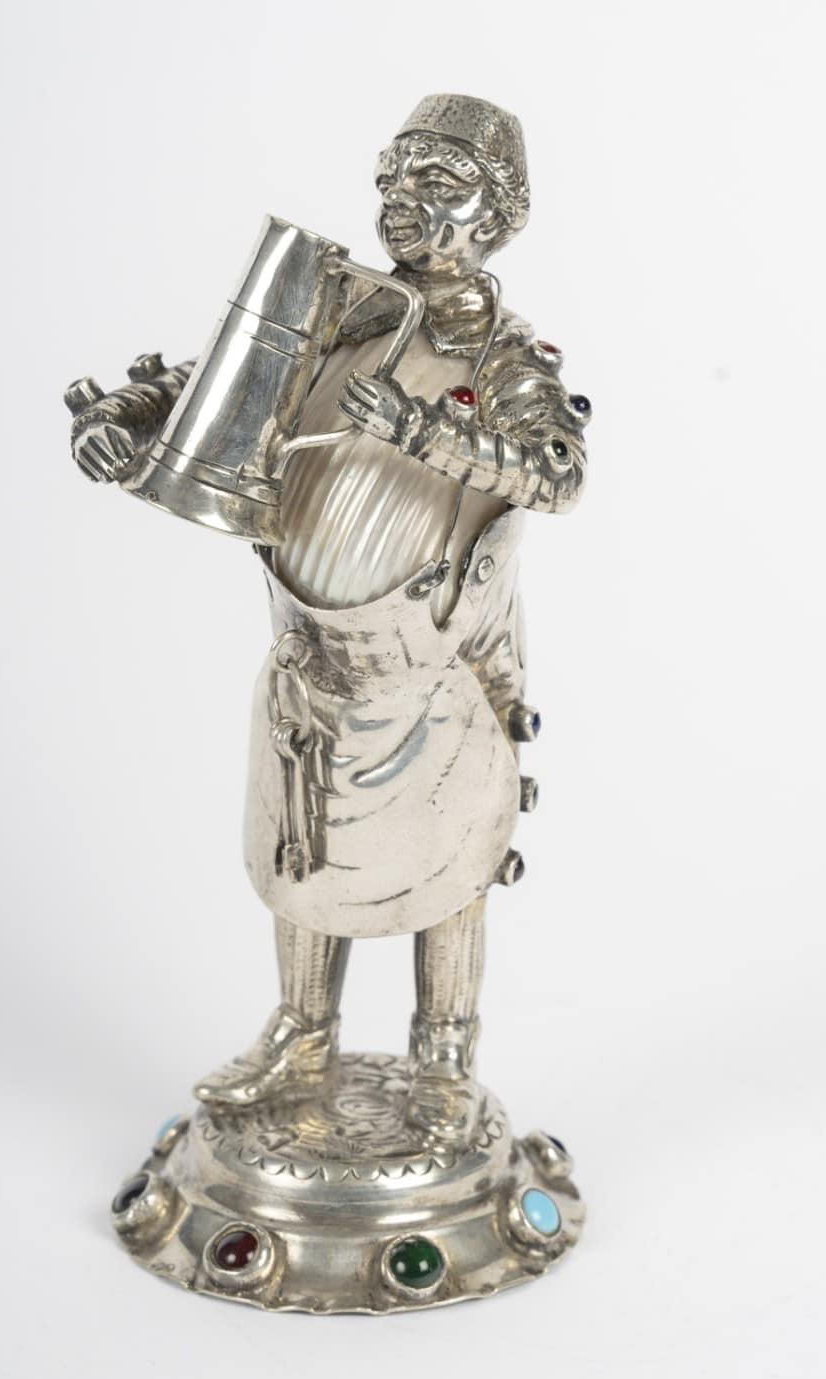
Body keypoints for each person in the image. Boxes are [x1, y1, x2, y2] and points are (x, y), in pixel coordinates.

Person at [71, 95, 590, 1146]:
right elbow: (211, 386)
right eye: (393, 179)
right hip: (309, 660)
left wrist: (421, 431)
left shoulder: (503, 357)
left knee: (453, 854)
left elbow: (557, 471)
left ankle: (443, 1059)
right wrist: (122, 417)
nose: (403, 203)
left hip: (434, 668)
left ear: (498, 215)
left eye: (437, 184)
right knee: (297, 852)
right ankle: (302, 1035)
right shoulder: (340, 315)